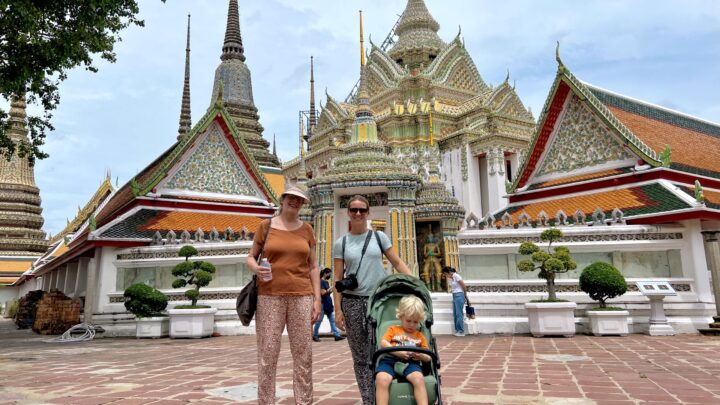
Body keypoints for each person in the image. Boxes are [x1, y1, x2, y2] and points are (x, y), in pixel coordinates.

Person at [332, 195, 413, 405]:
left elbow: (396, 262)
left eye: (361, 210)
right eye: (353, 210)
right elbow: (338, 279)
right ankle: (369, 399)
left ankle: (383, 397)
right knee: (359, 357)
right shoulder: (341, 243)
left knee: (381, 350)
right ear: (348, 212)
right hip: (351, 303)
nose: (358, 214)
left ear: (368, 213)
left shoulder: (379, 237)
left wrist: (414, 284)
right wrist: (338, 311)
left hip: (378, 302)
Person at [247, 186, 322, 405]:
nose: (295, 202)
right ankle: (266, 402)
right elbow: (251, 257)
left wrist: (317, 299)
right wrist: (256, 268)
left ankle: (304, 402)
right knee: (267, 355)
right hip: (269, 296)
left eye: (299, 200)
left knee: (303, 355)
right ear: (282, 200)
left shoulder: (307, 229)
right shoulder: (266, 226)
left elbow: (313, 266)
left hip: (302, 295)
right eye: (291, 198)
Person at [375, 295, 431, 405]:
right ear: (400, 317)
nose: (411, 325)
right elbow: (383, 343)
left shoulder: (419, 336)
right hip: (389, 360)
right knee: (381, 378)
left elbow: (428, 356)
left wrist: (420, 355)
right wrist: (397, 351)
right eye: (408, 320)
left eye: (415, 322)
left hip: (411, 362)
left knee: (418, 378)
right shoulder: (393, 329)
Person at [313, 268, 345, 342]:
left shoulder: (325, 282)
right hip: (323, 304)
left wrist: (331, 290)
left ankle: (336, 335)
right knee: (319, 320)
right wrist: (332, 288)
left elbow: (326, 293)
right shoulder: (321, 281)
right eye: (329, 274)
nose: (329, 275)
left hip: (327, 304)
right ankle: (315, 335)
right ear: (325, 273)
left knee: (332, 320)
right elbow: (322, 293)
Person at [442, 266, 469, 337]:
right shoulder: (453, 278)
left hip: (459, 295)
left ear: (448, 272)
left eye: (445, 274)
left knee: (459, 313)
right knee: (455, 314)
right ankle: (457, 330)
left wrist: (465, 296)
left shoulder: (456, 276)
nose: (445, 276)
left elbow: (464, 286)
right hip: (455, 296)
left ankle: (461, 331)